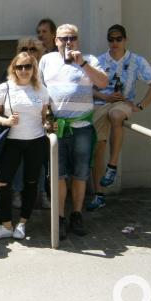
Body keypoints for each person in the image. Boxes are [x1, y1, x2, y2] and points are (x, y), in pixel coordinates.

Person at [38, 24, 108, 239]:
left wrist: (83, 64)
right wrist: (46, 118)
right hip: (58, 127)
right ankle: (59, 217)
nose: (68, 42)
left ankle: (76, 214)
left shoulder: (90, 59)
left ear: (78, 39)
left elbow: (103, 82)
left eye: (72, 38)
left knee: (80, 174)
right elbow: (40, 89)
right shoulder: (47, 60)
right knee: (58, 175)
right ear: (55, 40)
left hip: (82, 127)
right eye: (63, 38)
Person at [87, 24, 151, 210]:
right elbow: (88, 89)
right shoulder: (100, 60)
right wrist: (105, 96)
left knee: (117, 114)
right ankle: (99, 194)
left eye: (118, 39)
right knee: (98, 148)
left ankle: (112, 166)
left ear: (125, 40)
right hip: (102, 104)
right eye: (111, 39)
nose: (114, 43)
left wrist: (140, 106)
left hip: (123, 103)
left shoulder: (136, 60)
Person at [0, 52, 50, 240]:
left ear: (33, 69)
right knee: (2, 182)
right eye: (19, 67)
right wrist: (5, 122)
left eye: (28, 66)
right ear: (13, 68)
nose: (23, 70)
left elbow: (45, 117)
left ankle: (22, 223)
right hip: (11, 142)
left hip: (35, 141)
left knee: (31, 183)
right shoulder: (5, 88)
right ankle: (6, 225)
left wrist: (49, 124)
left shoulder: (41, 89)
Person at [9, 37, 52, 211]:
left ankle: (42, 194)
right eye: (24, 48)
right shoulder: (16, 71)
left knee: (41, 163)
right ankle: (17, 192)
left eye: (33, 49)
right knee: (19, 164)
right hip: (18, 128)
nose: (28, 51)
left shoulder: (46, 71)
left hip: (41, 125)